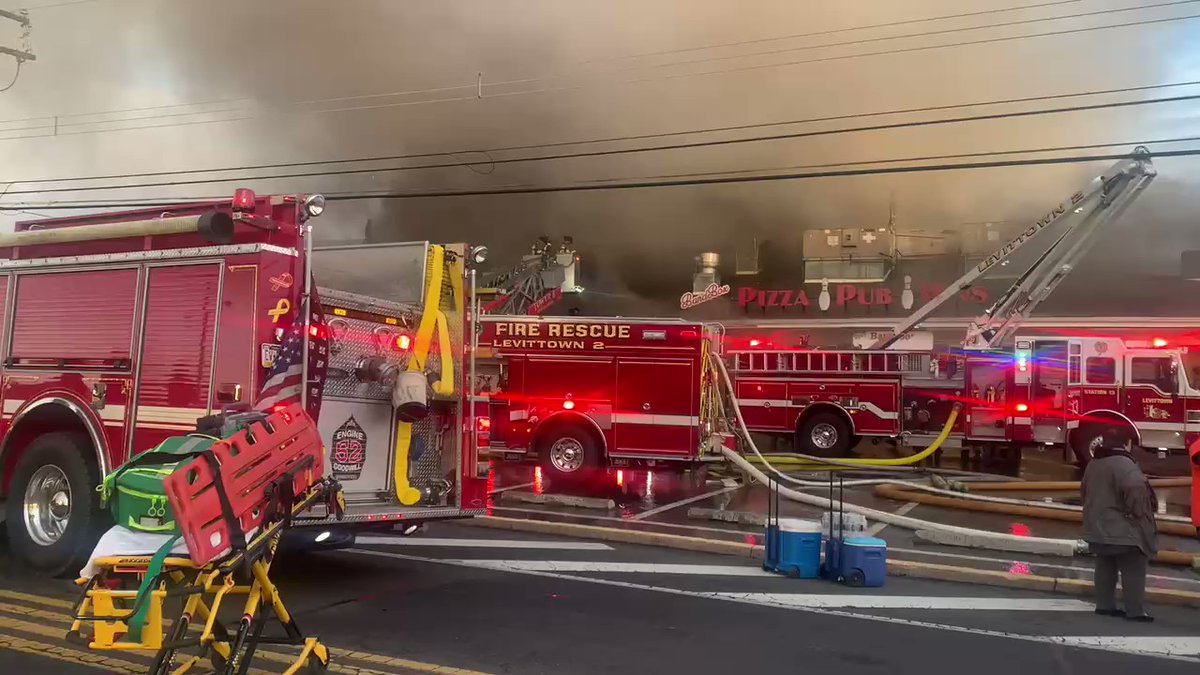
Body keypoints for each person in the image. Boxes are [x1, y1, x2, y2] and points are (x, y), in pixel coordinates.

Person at [1080, 425, 1158, 622]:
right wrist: (1141, 518)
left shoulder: (1093, 464)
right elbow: (1138, 499)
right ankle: (1135, 611)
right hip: (1125, 531)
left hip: (1098, 528)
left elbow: (1084, 493)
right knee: (1134, 568)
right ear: (1127, 443)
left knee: (1105, 564)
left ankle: (1104, 605)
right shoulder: (1126, 466)